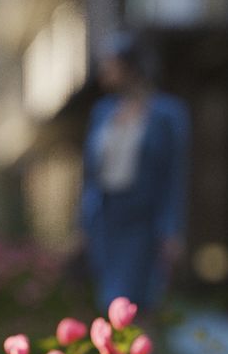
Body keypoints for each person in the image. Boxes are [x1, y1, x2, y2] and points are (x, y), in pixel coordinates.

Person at [79, 32, 190, 313]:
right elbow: (90, 174)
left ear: (130, 68)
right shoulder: (102, 112)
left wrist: (171, 229)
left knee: (141, 303)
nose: (105, 72)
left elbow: (173, 175)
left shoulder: (166, 114)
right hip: (107, 220)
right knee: (110, 302)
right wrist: (83, 222)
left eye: (111, 65)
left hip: (144, 221)